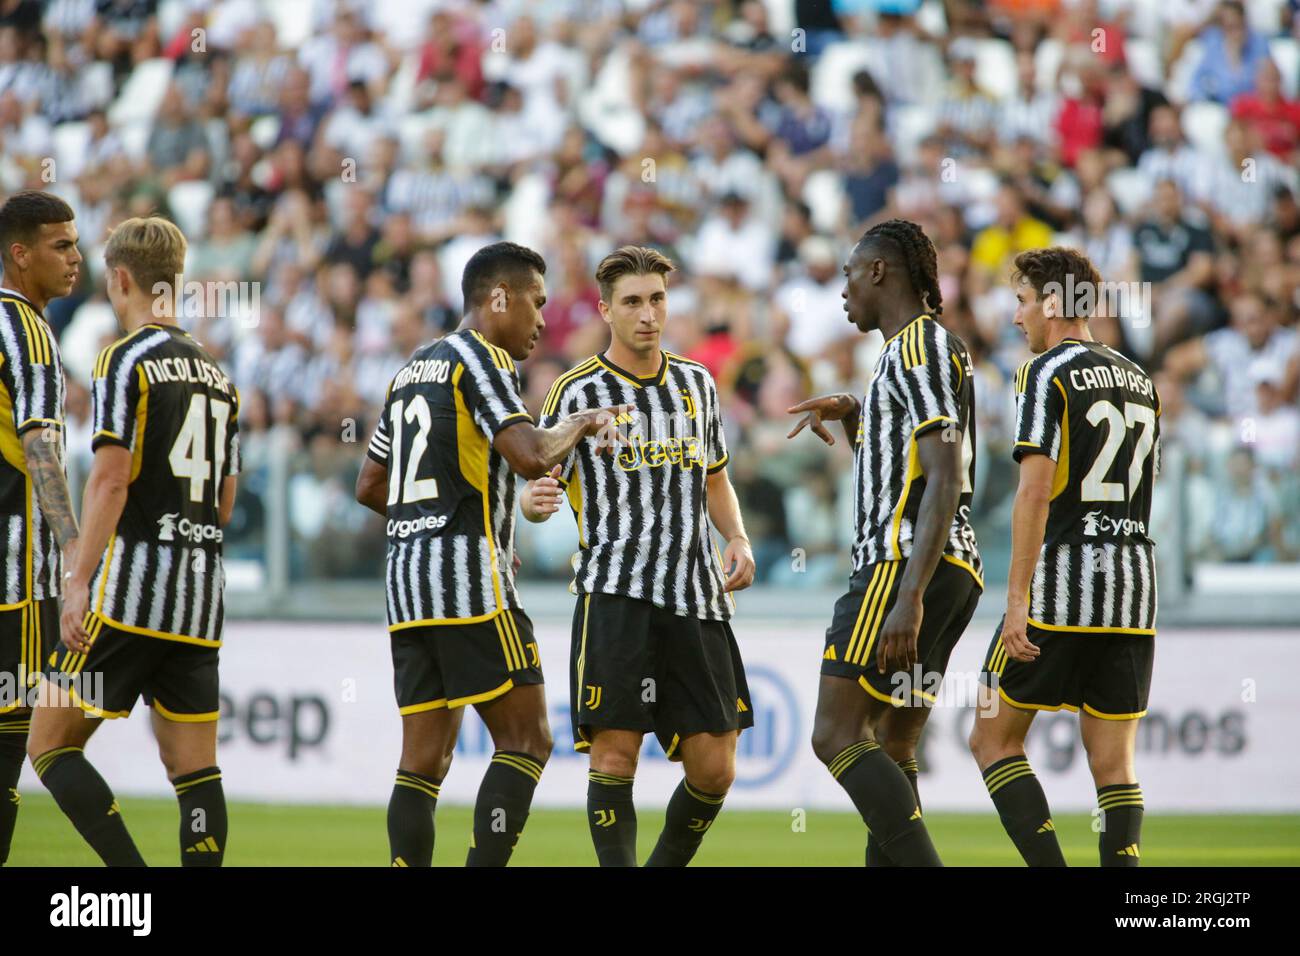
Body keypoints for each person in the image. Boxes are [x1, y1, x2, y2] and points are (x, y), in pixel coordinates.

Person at [354, 241, 624, 867]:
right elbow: (531, 453)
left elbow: (371, 485)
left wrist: (446, 524)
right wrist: (583, 422)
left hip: (405, 588)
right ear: (497, 297)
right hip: (468, 583)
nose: (540, 320)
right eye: (535, 302)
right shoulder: (481, 359)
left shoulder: (411, 369)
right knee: (528, 741)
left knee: (423, 761)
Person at [523, 245, 756, 866]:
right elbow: (535, 476)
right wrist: (534, 502)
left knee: (716, 768)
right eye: (632, 302)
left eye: (657, 299)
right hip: (615, 594)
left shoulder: (697, 384)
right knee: (615, 755)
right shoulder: (576, 391)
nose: (648, 314)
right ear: (605, 310)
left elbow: (714, 477)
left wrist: (736, 536)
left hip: (695, 594)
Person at [29, 217, 240, 867]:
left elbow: (111, 482)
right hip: (201, 597)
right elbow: (225, 500)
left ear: (120, 279)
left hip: (131, 592)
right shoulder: (218, 377)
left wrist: (77, 580)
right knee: (194, 768)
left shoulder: (123, 359)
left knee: (51, 746)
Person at [787, 219, 982, 866]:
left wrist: (909, 594)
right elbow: (909, 467)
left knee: (836, 734)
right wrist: (859, 418)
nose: (843, 290)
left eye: (848, 273)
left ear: (878, 271)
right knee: (893, 748)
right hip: (951, 565)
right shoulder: (928, 351)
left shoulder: (916, 348)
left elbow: (946, 473)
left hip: (901, 565)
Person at [969, 247, 1161, 867]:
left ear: (1053, 303)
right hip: (1133, 593)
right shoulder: (1141, 381)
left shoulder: (1046, 372)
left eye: (1022, 301)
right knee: (1114, 764)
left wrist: (1016, 597)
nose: (1016, 317)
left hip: (1060, 586)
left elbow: (1034, 490)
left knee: (992, 738)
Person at [0, 190, 81, 865]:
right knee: (11, 744)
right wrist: (76, 547)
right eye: (60, 245)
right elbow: (41, 446)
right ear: (20, 255)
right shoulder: (26, 329)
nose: (76, 258)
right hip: (16, 579)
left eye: (76, 244)